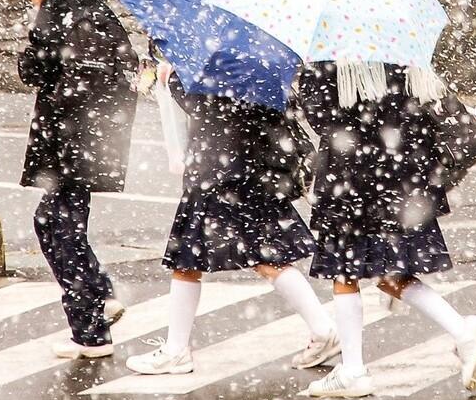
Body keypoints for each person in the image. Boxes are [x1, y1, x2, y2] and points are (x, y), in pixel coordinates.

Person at [124, 66, 338, 375]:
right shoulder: (260, 60)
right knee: (261, 256)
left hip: (218, 173)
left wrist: (170, 79)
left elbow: (202, 106)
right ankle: (322, 329)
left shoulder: (216, 56)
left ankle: (176, 350)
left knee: (191, 260)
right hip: (254, 170)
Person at [296, 62, 476, 398]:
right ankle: (462, 331)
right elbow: (419, 109)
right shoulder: (402, 52)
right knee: (390, 273)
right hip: (400, 175)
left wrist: (307, 81)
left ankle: (354, 370)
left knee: (345, 274)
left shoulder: (330, 56)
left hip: (350, 179)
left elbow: (323, 119)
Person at [15, 0, 137, 359]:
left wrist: (36, 28)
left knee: (55, 225)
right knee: (63, 221)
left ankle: (90, 330)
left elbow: (32, 71)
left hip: (66, 142)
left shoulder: (55, 12)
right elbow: (126, 66)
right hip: (98, 142)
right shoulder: (101, 13)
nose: (31, 1)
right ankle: (101, 295)